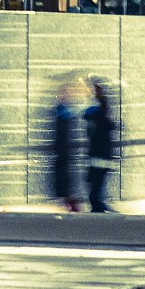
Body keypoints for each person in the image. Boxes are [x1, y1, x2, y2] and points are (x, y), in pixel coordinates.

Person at [48, 77, 88, 212]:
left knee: (66, 172)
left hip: (64, 147)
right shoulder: (61, 109)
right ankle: (67, 199)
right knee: (64, 172)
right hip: (62, 147)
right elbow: (75, 112)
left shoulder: (62, 109)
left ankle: (68, 199)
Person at [83, 78, 119, 213]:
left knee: (96, 179)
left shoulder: (95, 117)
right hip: (100, 153)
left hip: (97, 153)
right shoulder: (100, 118)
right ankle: (96, 203)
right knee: (98, 179)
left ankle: (96, 203)